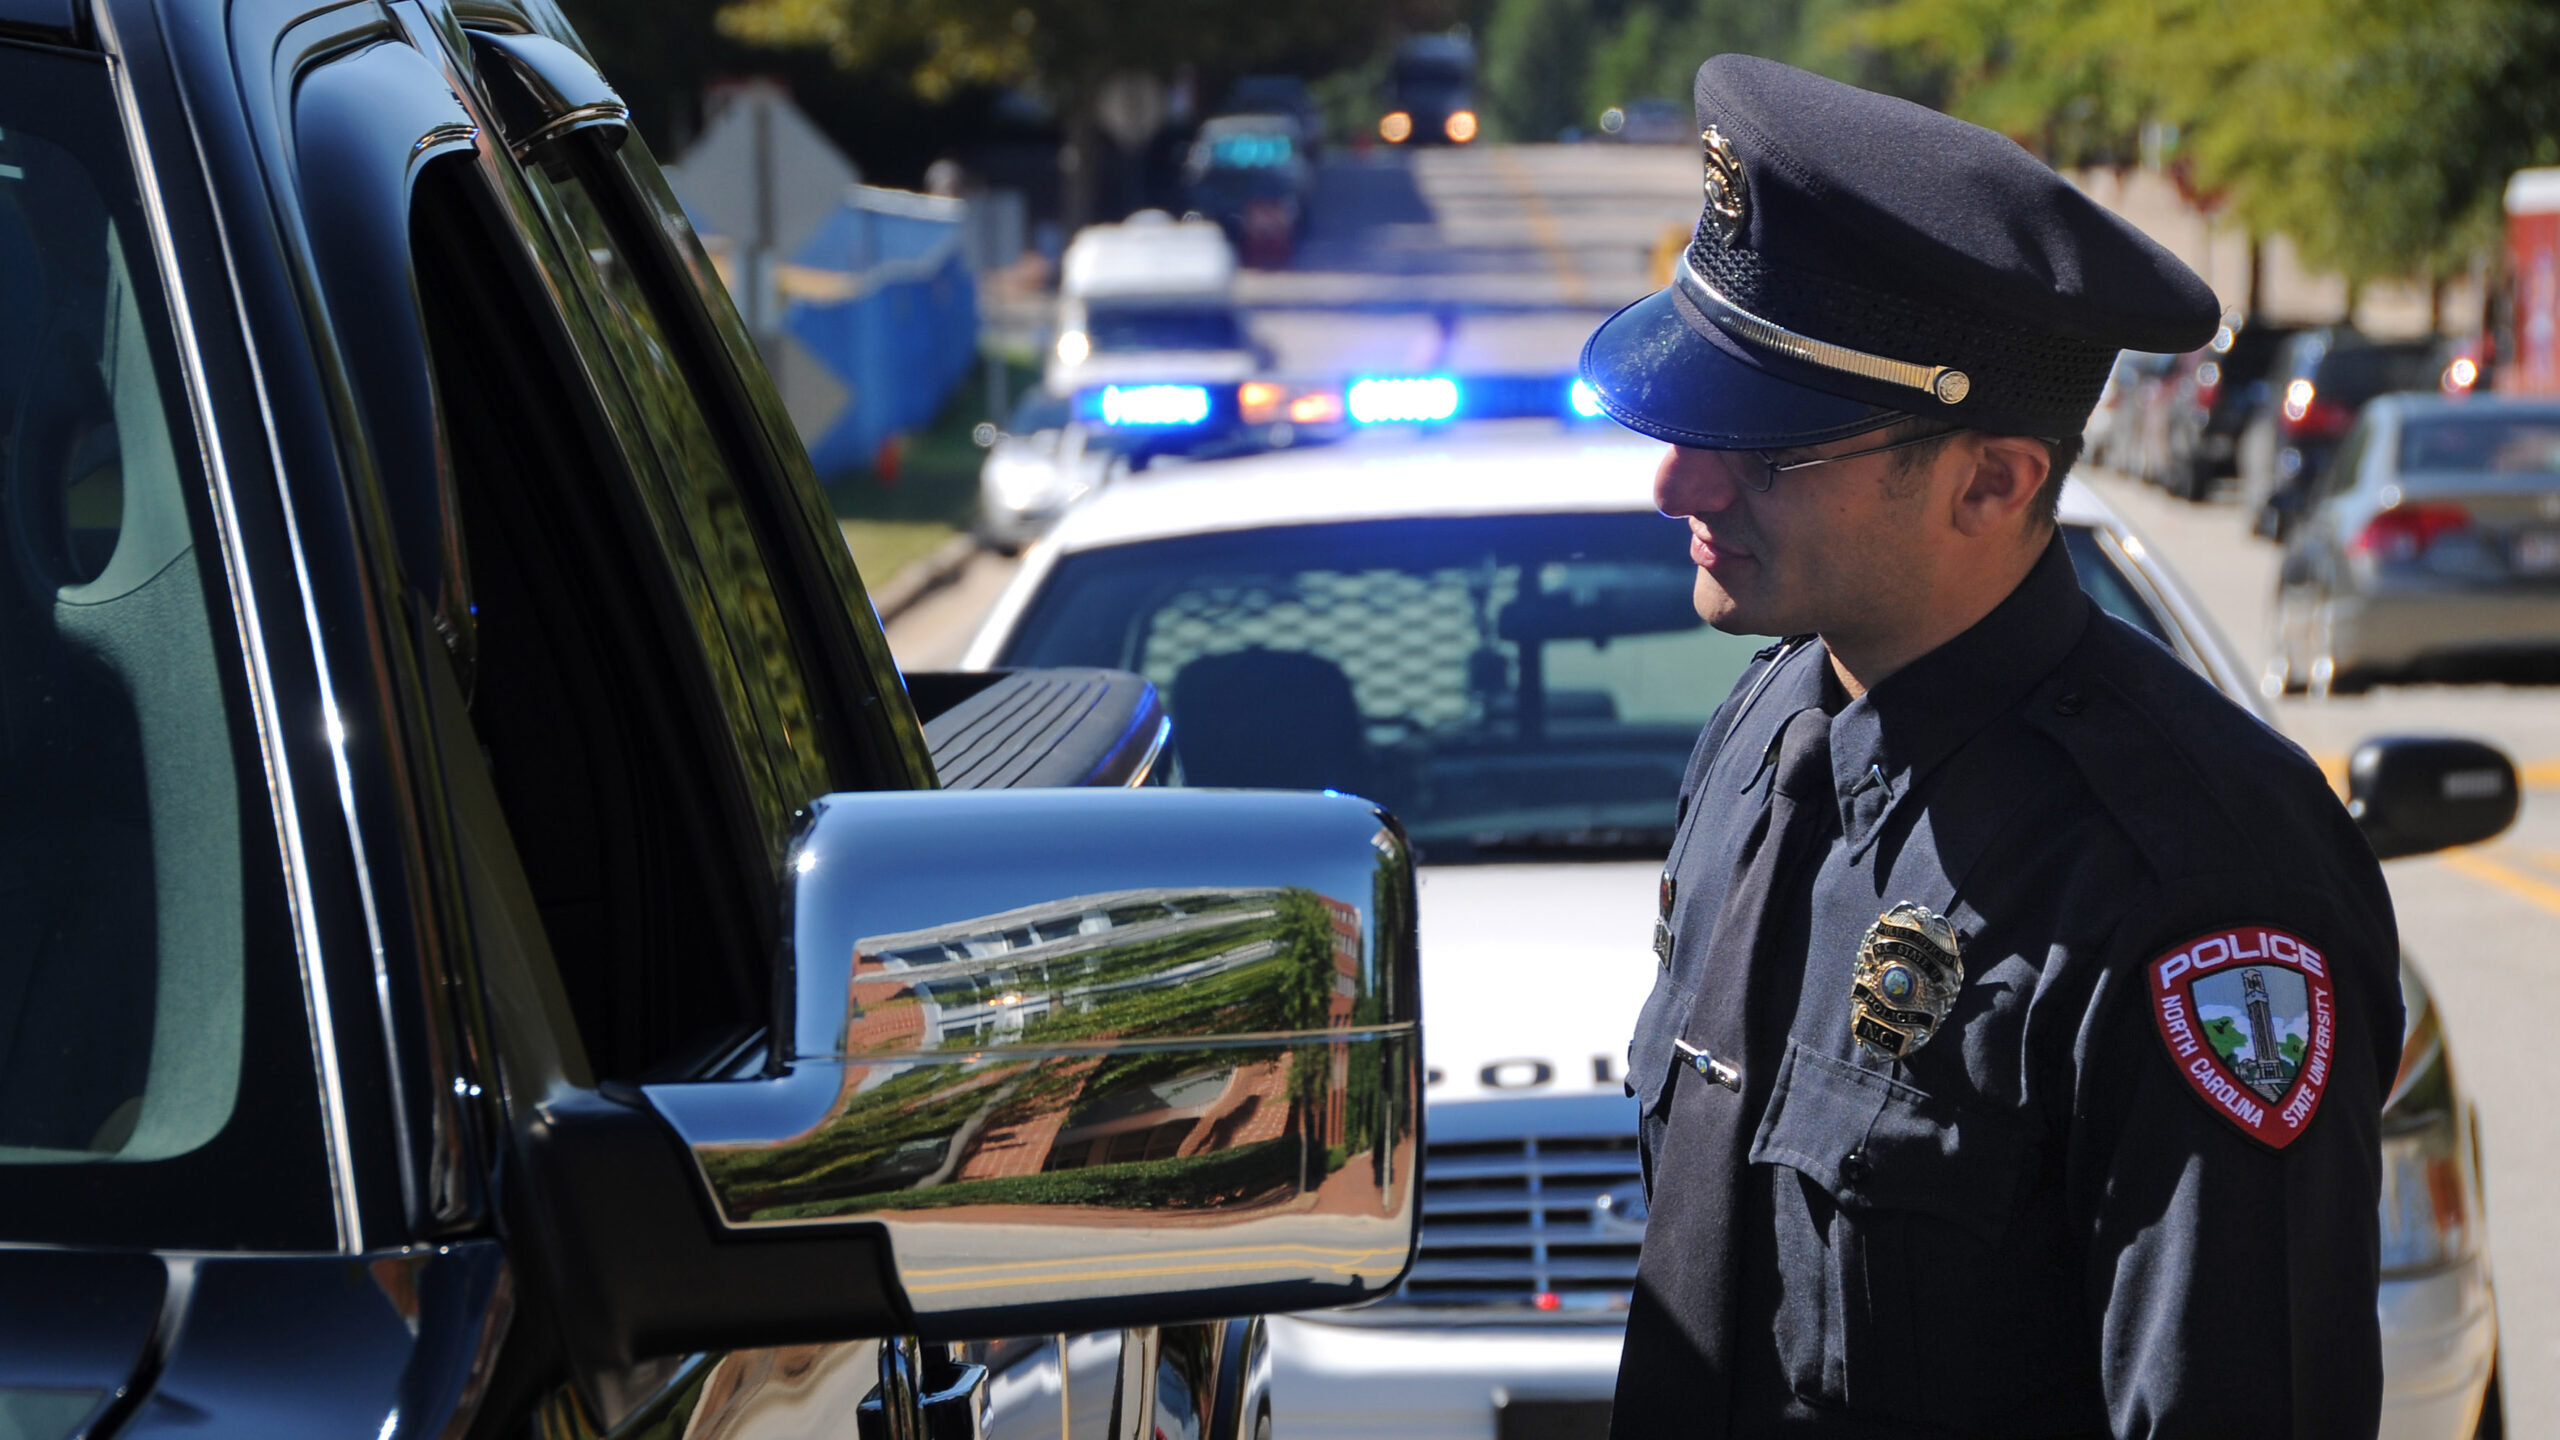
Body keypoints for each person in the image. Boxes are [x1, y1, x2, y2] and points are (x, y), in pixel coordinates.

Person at [1579, 55, 2400, 1438]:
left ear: (1994, 479)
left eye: (1766, 447)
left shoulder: (2198, 883)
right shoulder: (1772, 730)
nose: (1679, 479)